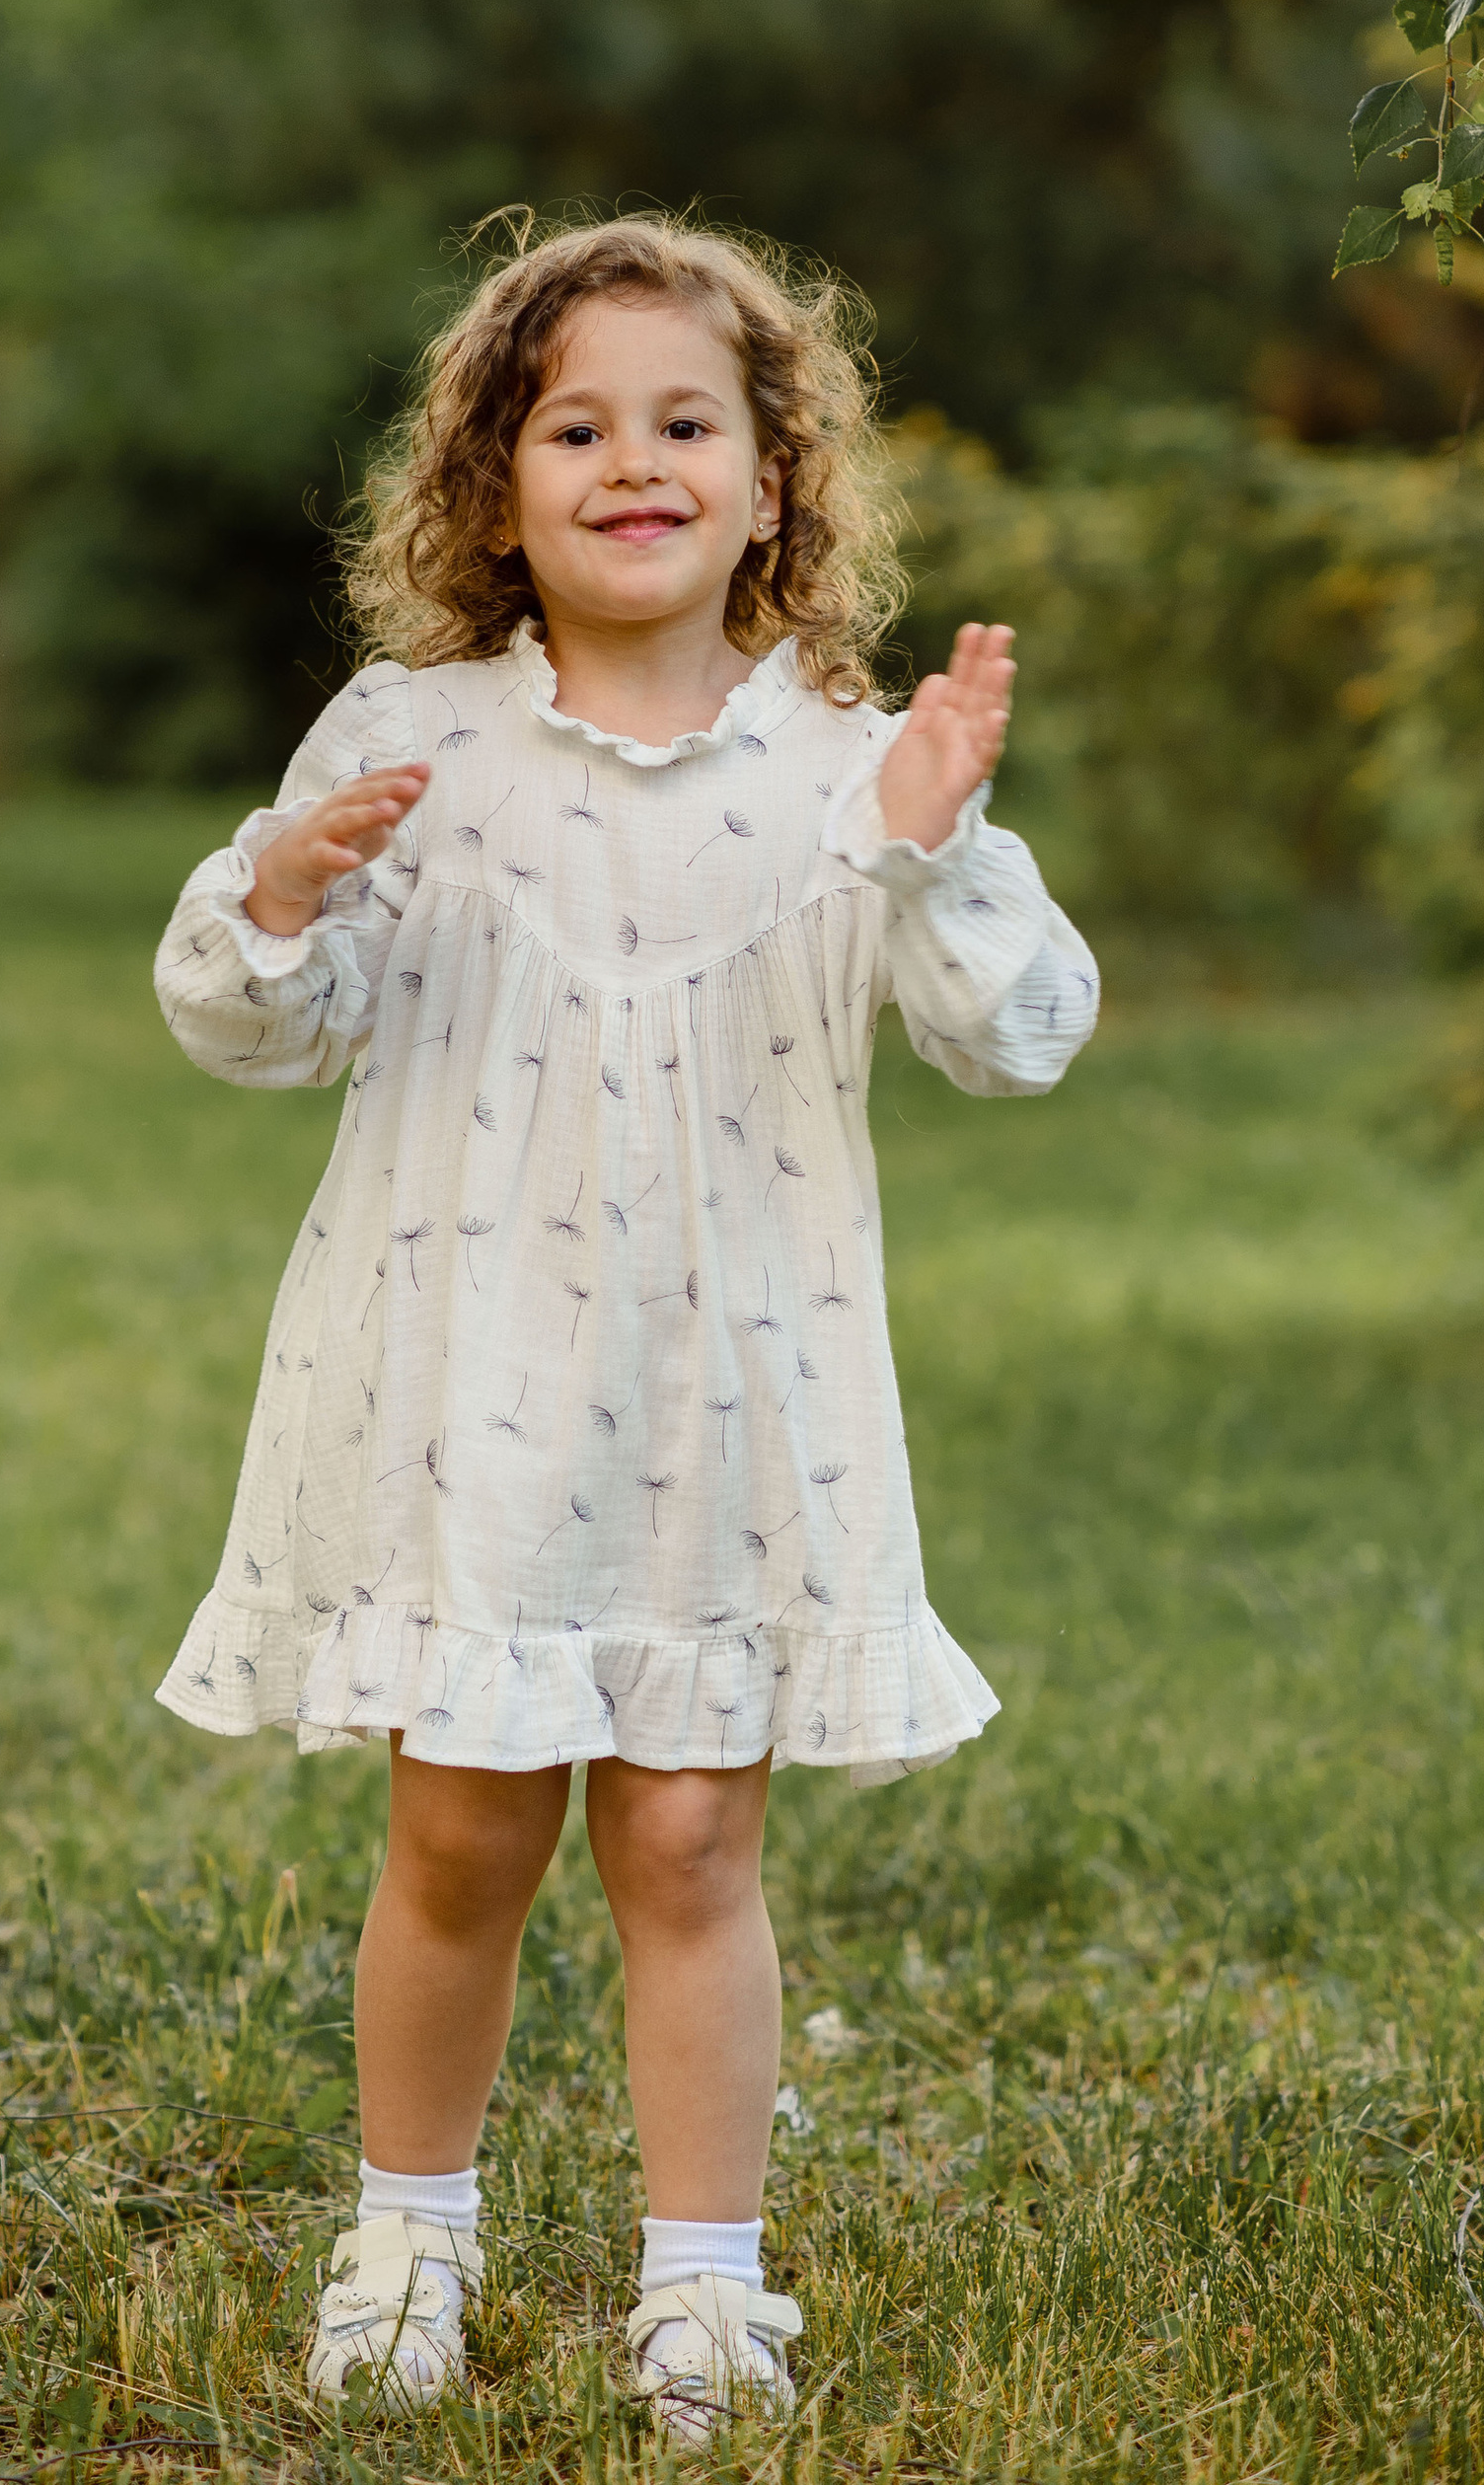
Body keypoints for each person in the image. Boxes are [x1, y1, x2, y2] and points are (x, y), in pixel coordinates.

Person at [152, 215, 1098, 2442]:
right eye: (573, 424)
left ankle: (702, 2284)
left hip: (730, 1401)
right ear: (492, 487)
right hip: (465, 1384)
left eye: (687, 421)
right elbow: (257, 1025)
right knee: (461, 1831)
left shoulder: (838, 761)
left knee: (686, 1843)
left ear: (775, 480)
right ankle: (408, 2231)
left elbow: (1016, 1036)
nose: (631, 460)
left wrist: (934, 851)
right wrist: (280, 890)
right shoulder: (416, 736)